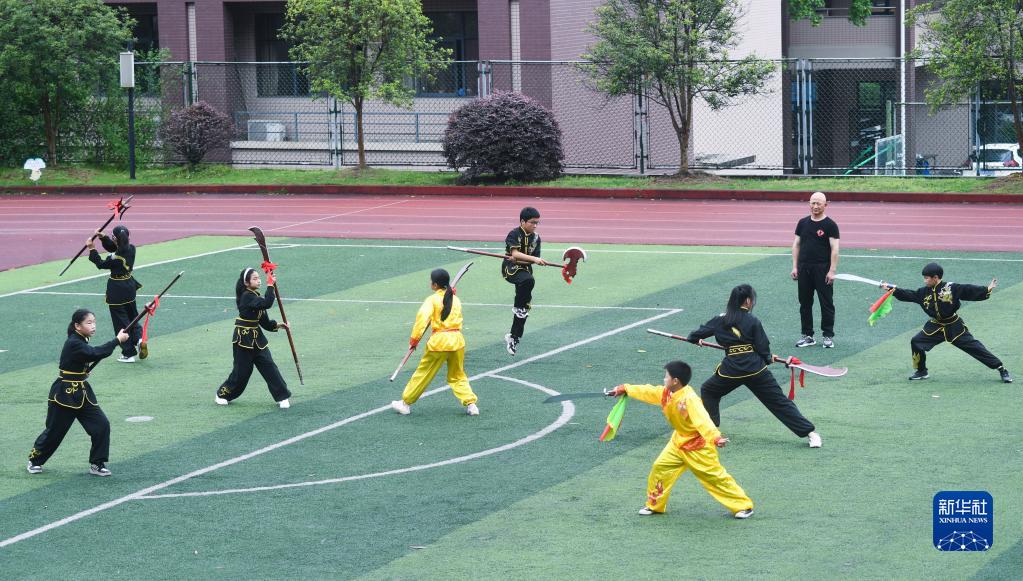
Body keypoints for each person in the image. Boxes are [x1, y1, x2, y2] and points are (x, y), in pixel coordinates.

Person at [608, 361, 755, 519]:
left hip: (698, 447)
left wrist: (715, 437)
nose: (664, 379)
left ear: (675, 381)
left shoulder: (689, 399)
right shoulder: (666, 393)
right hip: (678, 442)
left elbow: (703, 420)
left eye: (666, 376)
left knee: (715, 477)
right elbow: (649, 391)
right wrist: (625, 388)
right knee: (660, 467)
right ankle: (655, 505)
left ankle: (743, 506)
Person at [687, 284, 822, 448]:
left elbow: (693, 336)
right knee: (779, 402)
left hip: (731, 371)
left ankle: (711, 430)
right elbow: (763, 347)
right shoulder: (752, 320)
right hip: (756, 370)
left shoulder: (720, 320)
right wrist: (767, 358)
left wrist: (697, 340)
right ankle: (811, 434)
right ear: (748, 301)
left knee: (709, 390)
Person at [27, 309, 129, 476]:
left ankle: (97, 463)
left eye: (94, 322)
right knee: (54, 431)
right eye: (89, 323)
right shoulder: (74, 342)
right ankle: (34, 460)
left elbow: (81, 359)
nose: (93, 326)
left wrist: (82, 372)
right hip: (64, 393)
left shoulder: (81, 339)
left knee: (101, 425)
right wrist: (117, 340)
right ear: (77, 326)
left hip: (82, 391)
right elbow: (94, 353)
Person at [881, 262, 1012, 383]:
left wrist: (987, 289)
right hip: (935, 326)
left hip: (954, 326)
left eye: (927, 278)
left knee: (975, 347)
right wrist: (892, 289)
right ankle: (921, 371)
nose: (924, 280)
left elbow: (968, 290)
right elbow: (908, 294)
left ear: (936, 277)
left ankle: (1001, 368)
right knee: (916, 341)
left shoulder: (951, 288)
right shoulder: (923, 292)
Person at [392, 269, 479, 415]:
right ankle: (471, 404)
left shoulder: (432, 300)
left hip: (439, 343)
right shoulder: (455, 299)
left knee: (423, 373)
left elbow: (421, 320)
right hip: (457, 341)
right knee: (457, 375)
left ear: (435, 284)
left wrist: (413, 341)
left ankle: (405, 403)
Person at [215, 268, 292, 409]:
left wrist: (278, 325)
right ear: (246, 282)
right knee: (242, 373)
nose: (259, 280)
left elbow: (264, 322)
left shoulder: (256, 297)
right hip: (243, 340)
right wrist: (270, 284)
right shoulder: (247, 296)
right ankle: (222, 394)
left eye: (259, 278)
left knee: (269, 367)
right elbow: (267, 303)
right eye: (255, 278)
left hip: (258, 340)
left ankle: (282, 396)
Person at [88, 225, 144, 362]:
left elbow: (100, 263)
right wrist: (103, 237)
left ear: (115, 239)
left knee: (120, 322)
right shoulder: (132, 249)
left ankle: (128, 353)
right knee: (133, 316)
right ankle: (139, 339)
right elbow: (116, 248)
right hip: (129, 286)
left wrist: (92, 249)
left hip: (117, 289)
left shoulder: (115, 258)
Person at [792, 191, 840, 349]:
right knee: (804, 303)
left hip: (822, 269)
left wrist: (832, 270)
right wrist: (795, 266)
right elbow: (796, 244)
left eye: (819, 203)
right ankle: (807, 335)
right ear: (809, 204)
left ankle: (827, 336)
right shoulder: (802, 223)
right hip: (804, 268)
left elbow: (835, 249)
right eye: (813, 203)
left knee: (826, 303)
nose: (815, 206)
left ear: (826, 205)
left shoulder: (830, 225)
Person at [502, 207, 550, 356]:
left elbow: (533, 259)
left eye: (537, 223)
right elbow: (515, 253)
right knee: (529, 281)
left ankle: (514, 337)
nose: (535, 226)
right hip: (511, 268)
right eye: (532, 222)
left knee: (524, 310)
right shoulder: (514, 234)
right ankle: (519, 307)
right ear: (523, 221)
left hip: (525, 269)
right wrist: (533, 259)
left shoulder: (536, 238)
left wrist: (536, 260)